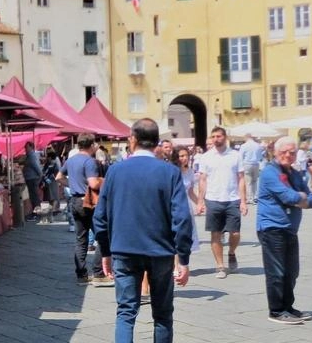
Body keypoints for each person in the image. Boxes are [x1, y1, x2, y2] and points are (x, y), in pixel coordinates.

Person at [94, 118, 193, 343]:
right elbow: (182, 219)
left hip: (124, 250)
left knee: (126, 313)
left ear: (133, 140)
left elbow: (100, 218)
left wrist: (106, 251)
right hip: (161, 252)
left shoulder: (115, 171)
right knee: (163, 314)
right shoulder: (169, 172)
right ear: (157, 142)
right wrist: (183, 259)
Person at [256, 136, 312, 325]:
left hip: (290, 228)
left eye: (292, 152)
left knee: (292, 271)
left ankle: (288, 307)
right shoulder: (269, 172)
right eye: (284, 152)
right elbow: (287, 196)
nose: (288, 155)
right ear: (276, 152)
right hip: (272, 227)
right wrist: (301, 197)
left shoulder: (295, 173)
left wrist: (302, 198)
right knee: (277, 271)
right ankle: (276, 310)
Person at [57, 134, 112, 286]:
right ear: (91, 145)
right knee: (102, 236)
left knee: (81, 239)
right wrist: (107, 181)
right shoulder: (90, 162)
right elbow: (93, 184)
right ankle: (98, 272)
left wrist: (73, 185)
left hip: (75, 200)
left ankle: (81, 274)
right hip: (90, 202)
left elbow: (58, 177)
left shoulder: (71, 160)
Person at [196, 126, 247, 279]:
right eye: (213, 137)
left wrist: (243, 201)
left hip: (232, 198)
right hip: (213, 198)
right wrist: (200, 201)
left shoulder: (235, 155)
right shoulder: (206, 157)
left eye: (219, 136)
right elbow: (203, 180)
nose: (216, 139)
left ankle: (231, 252)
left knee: (235, 232)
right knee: (215, 233)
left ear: (225, 137)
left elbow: (241, 178)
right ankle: (220, 265)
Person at [18, 141, 43, 220]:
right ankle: (36, 212)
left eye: (26, 147)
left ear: (31, 147)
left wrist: (40, 175)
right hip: (31, 178)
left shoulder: (31, 156)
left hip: (32, 179)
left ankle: (36, 214)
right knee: (34, 196)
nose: (25, 148)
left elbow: (36, 167)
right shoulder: (30, 155)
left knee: (34, 196)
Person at [240, 134, 264, 204]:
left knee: (248, 182)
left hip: (247, 164)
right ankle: (255, 197)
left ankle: (250, 198)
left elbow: (240, 156)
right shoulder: (257, 145)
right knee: (255, 181)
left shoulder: (244, 146)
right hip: (256, 164)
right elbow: (260, 157)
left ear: (246, 138)